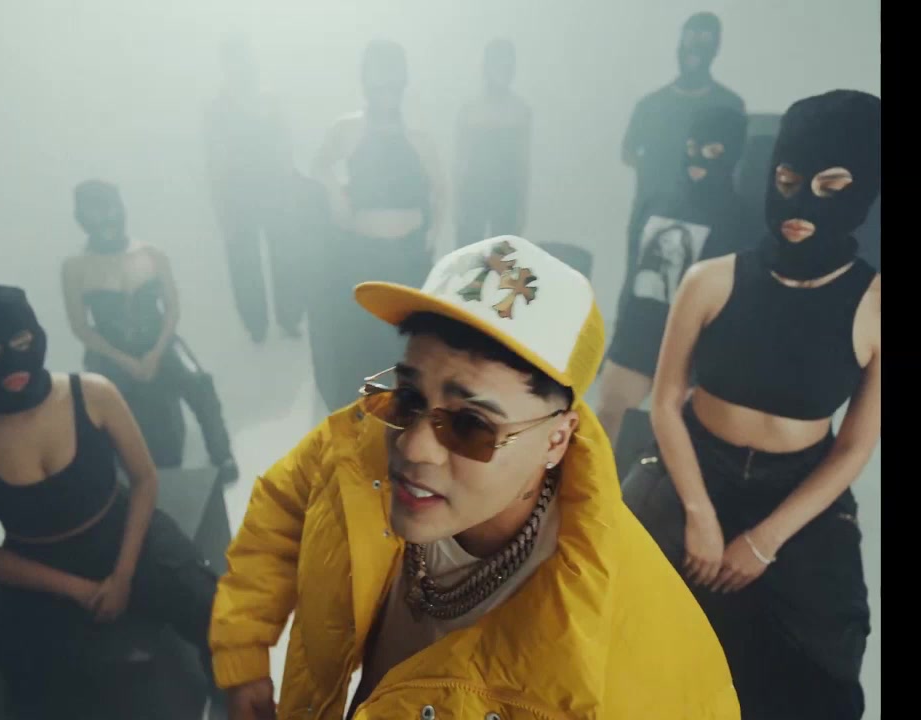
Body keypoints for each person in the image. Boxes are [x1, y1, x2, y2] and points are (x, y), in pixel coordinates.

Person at [211, 237, 740, 719]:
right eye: (409, 396)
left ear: (557, 439)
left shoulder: (635, 649)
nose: (413, 446)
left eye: (471, 426)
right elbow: (283, 506)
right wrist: (244, 653)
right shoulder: (367, 437)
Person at [627, 90, 881, 719]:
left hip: (799, 491)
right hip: (691, 467)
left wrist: (765, 541)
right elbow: (665, 402)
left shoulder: (876, 304)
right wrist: (699, 513)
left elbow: (855, 446)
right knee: (618, 608)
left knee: (822, 661)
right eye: (787, 182)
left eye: (828, 186)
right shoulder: (709, 279)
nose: (798, 205)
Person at [0, 284, 224, 717]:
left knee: (215, 610)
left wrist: (123, 574)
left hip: (121, 530)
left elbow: (144, 479)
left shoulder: (93, 393)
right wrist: (79, 590)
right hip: (37, 566)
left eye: (22, 343)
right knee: (31, 686)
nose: (10, 362)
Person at [598, 106, 759, 474]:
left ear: (732, 153)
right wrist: (619, 335)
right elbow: (632, 274)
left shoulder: (741, 221)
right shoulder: (655, 201)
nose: (698, 158)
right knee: (606, 424)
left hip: (694, 345)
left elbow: (736, 300)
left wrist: (713, 365)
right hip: (637, 336)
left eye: (713, 151)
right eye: (691, 147)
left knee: (674, 443)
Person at [61, 180, 238, 481]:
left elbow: (172, 309)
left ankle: (222, 455)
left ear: (120, 208)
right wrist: (125, 360)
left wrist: (156, 352)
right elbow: (80, 327)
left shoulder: (152, 254)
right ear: (82, 218)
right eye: (94, 213)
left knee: (199, 382)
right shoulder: (75, 267)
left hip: (160, 341)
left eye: (109, 209)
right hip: (110, 352)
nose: (105, 220)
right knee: (107, 407)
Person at [308, 39, 446, 413]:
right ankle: (365, 428)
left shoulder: (418, 137)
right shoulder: (348, 129)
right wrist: (335, 195)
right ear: (365, 82)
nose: (384, 90)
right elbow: (318, 166)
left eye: (391, 82)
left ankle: (405, 425)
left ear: (403, 82)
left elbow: (440, 189)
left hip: (409, 260)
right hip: (363, 257)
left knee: (408, 354)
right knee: (363, 353)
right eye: (377, 82)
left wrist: (431, 235)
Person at [205, 35, 308, 342]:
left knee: (287, 255)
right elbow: (215, 159)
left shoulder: (270, 100)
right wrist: (220, 206)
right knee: (243, 261)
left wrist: (292, 185)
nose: (243, 66)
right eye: (236, 60)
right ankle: (256, 325)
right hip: (237, 192)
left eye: (247, 58)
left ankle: (290, 317)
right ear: (226, 65)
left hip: (277, 189)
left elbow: (286, 144)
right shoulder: (218, 108)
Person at [621, 12, 745, 205]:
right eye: (689, 37)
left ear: (715, 49)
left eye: (704, 40)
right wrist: (654, 172)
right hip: (655, 210)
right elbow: (628, 152)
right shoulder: (650, 105)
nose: (693, 48)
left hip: (707, 211)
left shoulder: (730, 105)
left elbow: (739, 161)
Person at [454, 38, 532, 248]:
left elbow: (523, 163)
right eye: (498, 64)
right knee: (470, 256)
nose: (503, 71)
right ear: (486, 68)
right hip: (474, 191)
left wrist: (522, 207)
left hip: (507, 194)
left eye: (508, 65)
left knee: (503, 259)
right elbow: (461, 160)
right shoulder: (470, 110)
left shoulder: (520, 111)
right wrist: (457, 203)